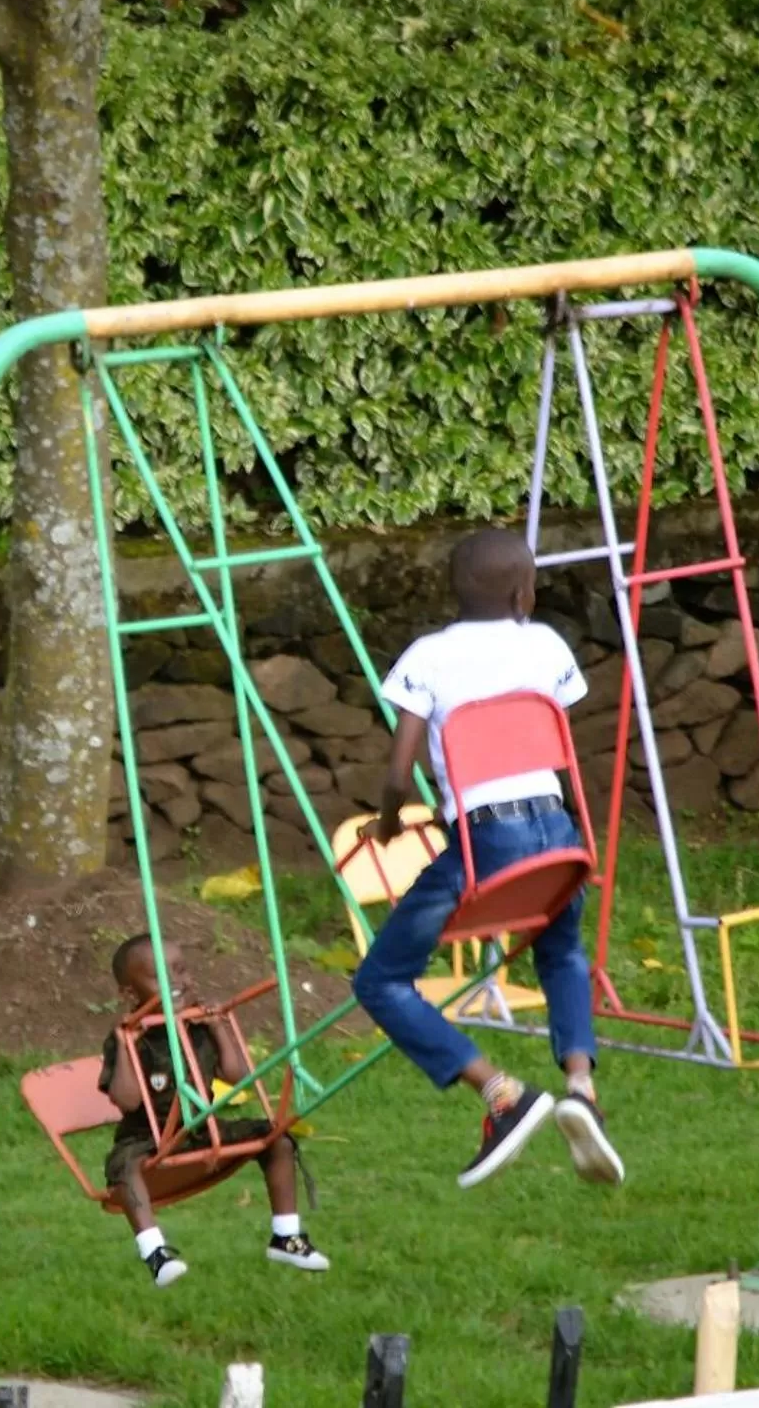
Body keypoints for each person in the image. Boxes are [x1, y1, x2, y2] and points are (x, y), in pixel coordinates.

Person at [351, 526, 625, 1190]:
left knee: (380, 980)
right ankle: (579, 1087)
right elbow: (559, 741)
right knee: (559, 950)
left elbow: (397, 773)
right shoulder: (545, 644)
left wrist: (388, 825)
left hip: (484, 845)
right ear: (524, 591)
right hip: (560, 836)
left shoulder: (427, 655)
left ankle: (501, 1093)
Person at [99, 933, 328, 1287]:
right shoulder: (129, 1039)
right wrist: (125, 1043)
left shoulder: (197, 1027)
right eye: (161, 976)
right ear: (130, 995)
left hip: (202, 1130)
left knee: (277, 1137)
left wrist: (218, 1027)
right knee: (124, 1169)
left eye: (181, 970)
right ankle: (155, 1253)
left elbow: (238, 1077)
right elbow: (127, 1100)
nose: (177, 982)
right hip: (147, 1139)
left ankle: (286, 1236)